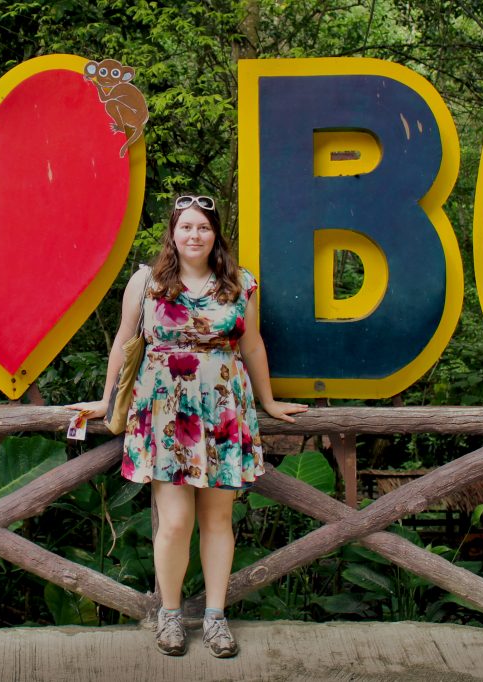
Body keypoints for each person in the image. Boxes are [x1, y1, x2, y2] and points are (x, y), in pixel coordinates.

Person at [70, 194, 307, 658]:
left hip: (223, 411)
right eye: (186, 227)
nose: (194, 235)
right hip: (166, 413)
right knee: (175, 522)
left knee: (218, 520)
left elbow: (253, 347)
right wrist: (104, 400)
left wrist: (270, 402)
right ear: (172, 234)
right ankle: (171, 615)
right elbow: (124, 342)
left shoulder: (239, 283)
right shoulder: (146, 282)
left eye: (203, 227)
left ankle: (217, 618)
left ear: (215, 234)